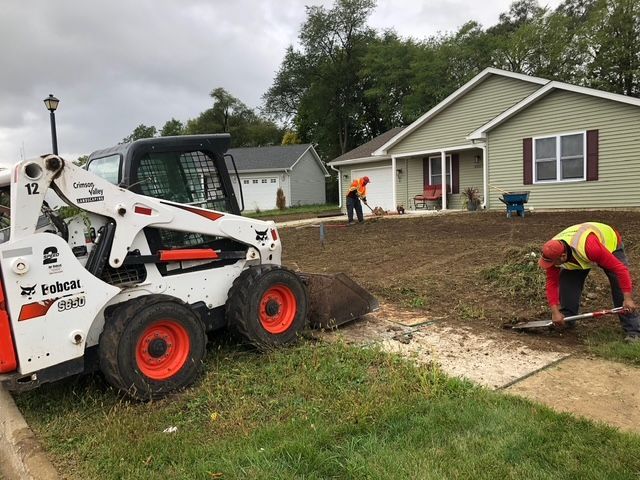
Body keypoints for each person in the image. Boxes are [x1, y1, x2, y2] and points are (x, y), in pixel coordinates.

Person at [538, 222, 640, 343]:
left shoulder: (591, 248)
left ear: (563, 256)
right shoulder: (552, 252)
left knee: (618, 282)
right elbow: (552, 283)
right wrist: (555, 312)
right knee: (567, 282)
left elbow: (620, 270)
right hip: (577, 253)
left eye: (552, 263)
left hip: (608, 244)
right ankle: (566, 319)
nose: (550, 266)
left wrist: (627, 298)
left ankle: (633, 330)